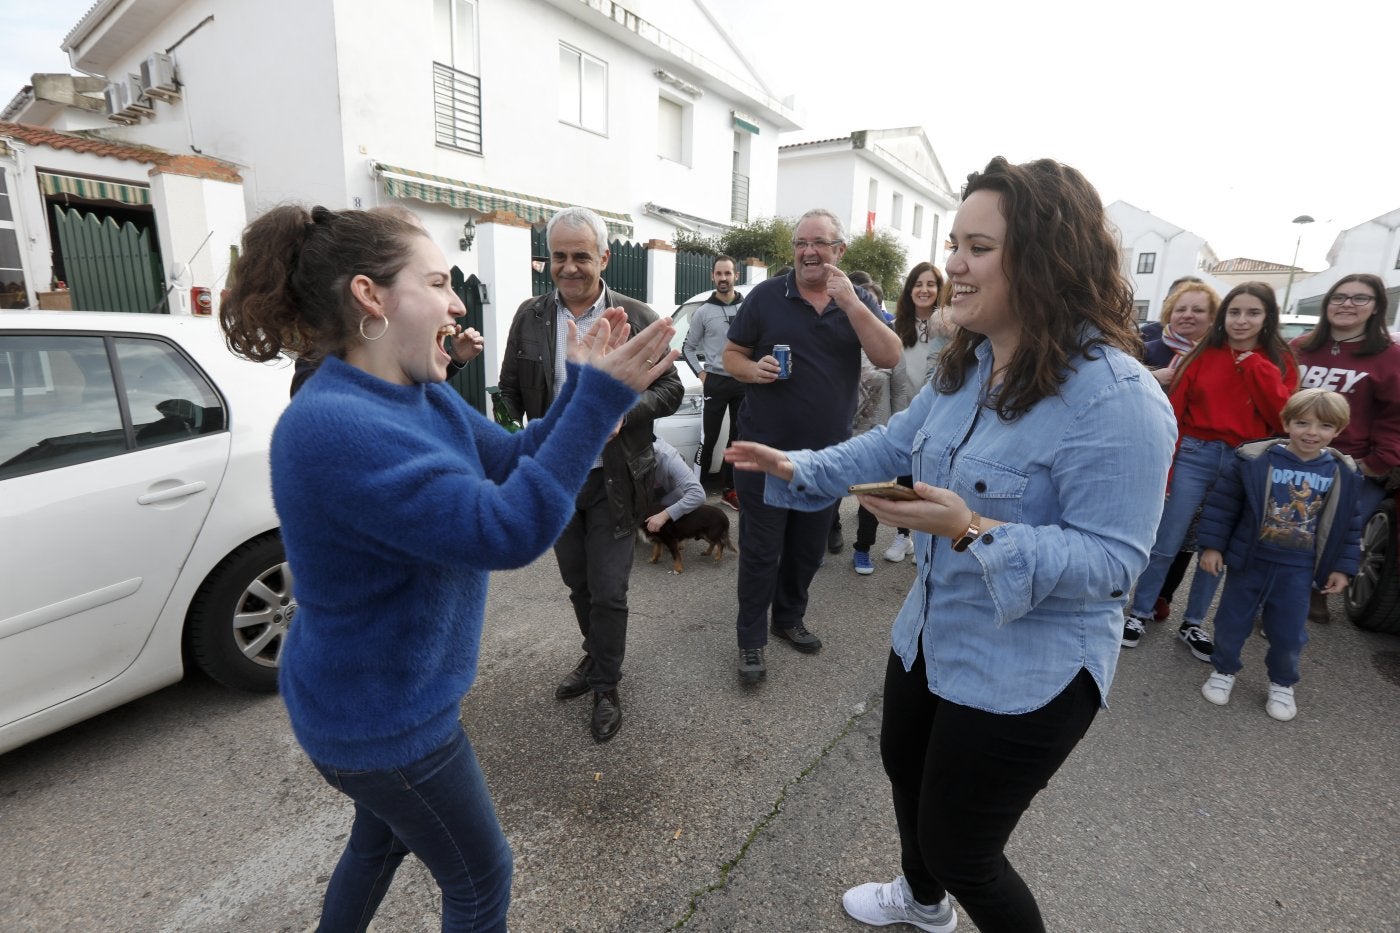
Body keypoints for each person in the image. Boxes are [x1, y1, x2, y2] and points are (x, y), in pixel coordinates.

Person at [726, 156, 1176, 933]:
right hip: (932, 632)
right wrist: (798, 466)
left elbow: (1114, 564)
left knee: (964, 846)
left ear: (1045, 258)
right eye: (953, 243)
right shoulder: (966, 364)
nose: (954, 267)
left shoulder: (1119, 399)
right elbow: (892, 442)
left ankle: (944, 884)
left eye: (977, 247)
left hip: (1028, 669)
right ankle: (924, 903)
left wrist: (973, 530)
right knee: (905, 768)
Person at [219, 204, 677, 931]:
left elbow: (513, 460)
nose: (459, 301)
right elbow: (506, 528)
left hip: (378, 704)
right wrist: (594, 403)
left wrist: (582, 390)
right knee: (481, 875)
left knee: (380, 843)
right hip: (382, 720)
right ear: (372, 296)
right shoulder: (334, 426)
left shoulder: (416, 393)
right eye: (437, 281)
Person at [498, 206, 683, 743]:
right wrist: (516, 437)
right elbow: (510, 392)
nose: (570, 267)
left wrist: (627, 411)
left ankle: (606, 683)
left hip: (618, 477)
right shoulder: (530, 317)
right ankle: (594, 656)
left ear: (603, 256)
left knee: (609, 589)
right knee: (577, 584)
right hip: (556, 475)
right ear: (548, 260)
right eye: (559, 256)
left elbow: (670, 389)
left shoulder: (636, 313)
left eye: (581, 255)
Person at [722, 209, 902, 683]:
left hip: (825, 461)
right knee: (761, 553)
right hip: (763, 452)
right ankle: (750, 641)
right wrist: (750, 370)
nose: (808, 252)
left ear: (839, 251)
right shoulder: (765, 296)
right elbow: (730, 355)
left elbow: (889, 355)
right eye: (801, 243)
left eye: (819, 243)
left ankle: (787, 619)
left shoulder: (856, 299)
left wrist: (854, 305)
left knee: (807, 551)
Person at [1124, 281, 1299, 660]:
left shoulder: (1278, 360)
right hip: (1195, 453)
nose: (1241, 321)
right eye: (1235, 312)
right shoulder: (1205, 352)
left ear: (1268, 317)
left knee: (1215, 547)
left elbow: (1282, 418)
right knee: (1167, 541)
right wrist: (1168, 469)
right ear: (1224, 316)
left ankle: (1194, 622)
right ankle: (1138, 612)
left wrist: (1255, 366)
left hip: (1244, 459)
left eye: (1253, 313)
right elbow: (1177, 411)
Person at [1197, 388, 1363, 721]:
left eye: (1324, 426)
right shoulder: (1256, 460)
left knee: (1288, 633)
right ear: (1286, 423)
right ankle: (1224, 670)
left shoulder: (1342, 472)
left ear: (1338, 431)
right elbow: (1223, 505)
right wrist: (1213, 546)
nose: (1312, 432)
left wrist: (1343, 569)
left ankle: (1282, 683)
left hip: (1298, 570)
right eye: (1302, 423)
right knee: (1231, 623)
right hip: (1250, 562)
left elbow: (1350, 525)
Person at [1291, 273, 1400, 623]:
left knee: (1336, 535)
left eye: (1359, 298)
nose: (1347, 305)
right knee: (1291, 530)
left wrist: (1378, 461)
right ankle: (1282, 597)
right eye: (1339, 297)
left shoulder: (1389, 357)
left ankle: (1317, 591)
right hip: (1297, 455)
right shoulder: (1301, 348)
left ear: (1376, 308)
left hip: (1353, 464)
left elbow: (1395, 414)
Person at [1139, 281, 1221, 620]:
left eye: (1198, 310)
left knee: (1182, 533)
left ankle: (1163, 594)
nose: (1188, 315)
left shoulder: (1217, 356)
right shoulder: (1147, 347)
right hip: (1145, 445)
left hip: (1188, 454)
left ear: (1212, 317)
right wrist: (1154, 375)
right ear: (1168, 312)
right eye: (1181, 308)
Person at [878, 262, 953, 565]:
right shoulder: (895, 327)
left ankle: (927, 535)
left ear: (940, 290)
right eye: (917, 284)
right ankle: (903, 535)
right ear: (909, 291)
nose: (924, 290)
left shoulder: (951, 329)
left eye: (930, 284)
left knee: (932, 477)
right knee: (906, 476)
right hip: (904, 412)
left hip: (937, 414)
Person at [849, 282, 914, 574]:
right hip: (842, 432)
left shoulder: (890, 348)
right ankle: (823, 538)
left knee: (871, 496)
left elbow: (899, 394)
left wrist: (897, 432)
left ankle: (862, 549)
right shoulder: (842, 344)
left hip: (878, 434)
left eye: (871, 305)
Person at [681, 254, 746, 510]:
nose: (723, 278)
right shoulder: (703, 312)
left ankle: (730, 491)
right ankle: (695, 491)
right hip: (715, 383)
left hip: (742, 382)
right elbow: (688, 347)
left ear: (735, 276)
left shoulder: (747, 308)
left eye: (727, 273)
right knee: (709, 439)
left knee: (738, 439)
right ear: (713, 276)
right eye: (719, 274)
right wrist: (701, 373)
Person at [645, 436, 706, 533]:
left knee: (674, 501)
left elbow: (698, 494)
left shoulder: (669, 456)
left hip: (668, 494)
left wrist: (664, 515)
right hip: (645, 494)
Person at [1140, 274, 1206, 342]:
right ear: (1166, 302)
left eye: (1197, 308)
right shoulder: (1144, 336)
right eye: (1180, 300)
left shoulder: (1214, 341)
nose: (1188, 314)